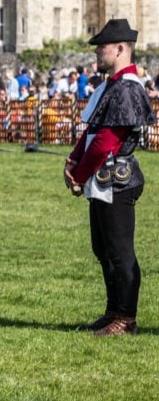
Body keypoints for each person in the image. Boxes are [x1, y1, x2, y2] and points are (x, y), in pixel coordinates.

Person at [64, 19, 155, 336]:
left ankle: (126, 318)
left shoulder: (129, 89)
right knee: (103, 249)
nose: (98, 52)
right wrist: (74, 159)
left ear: (120, 49)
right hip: (101, 178)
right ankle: (113, 311)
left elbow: (108, 141)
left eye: (102, 46)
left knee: (120, 252)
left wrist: (79, 173)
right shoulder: (112, 86)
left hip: (116, 178)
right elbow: (92, 131)